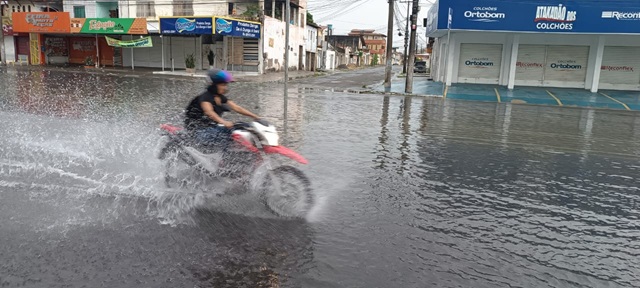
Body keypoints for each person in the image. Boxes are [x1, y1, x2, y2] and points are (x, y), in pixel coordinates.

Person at [184, 69, 260, 148]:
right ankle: (224, 159)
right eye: (223, 85)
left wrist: (256, 117)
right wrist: (224, 122)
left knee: (245, 126)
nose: (225, 88)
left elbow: (237, 108)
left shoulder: (220, 97)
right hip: (198, 132)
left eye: (226, 85)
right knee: (228, 135)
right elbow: (209, 112)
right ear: (213, 85)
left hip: (212, 128)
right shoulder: (205, 97)